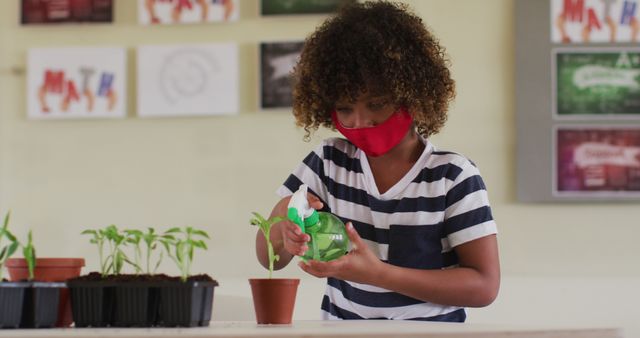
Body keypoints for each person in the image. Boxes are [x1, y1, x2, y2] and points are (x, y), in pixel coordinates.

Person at [255, 0, 500, 322]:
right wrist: (284, 228)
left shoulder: (451, 176)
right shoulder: (329, 163)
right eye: (344, 108)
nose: (359, 121)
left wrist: (377, 274)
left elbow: (484, 286)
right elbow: (268, 257)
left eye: (377, 104)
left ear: (413, 95)